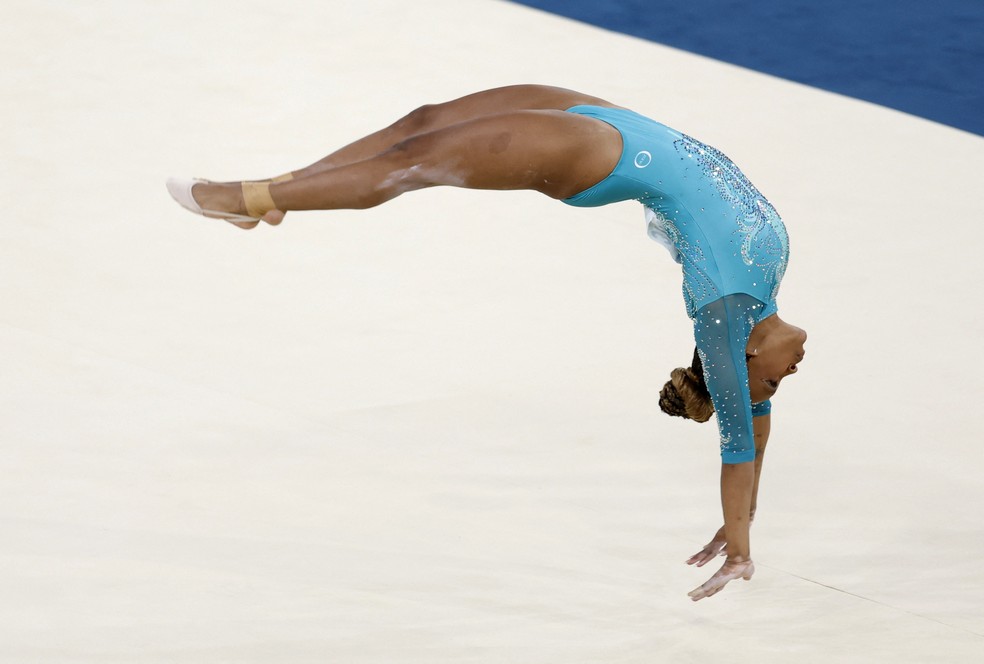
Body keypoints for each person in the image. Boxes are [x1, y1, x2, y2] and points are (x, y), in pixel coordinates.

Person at [166, 84, 807, 602]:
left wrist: (742, 544)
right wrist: (741, 516)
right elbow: (756, 422)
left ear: (743, 358)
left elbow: (740, 441)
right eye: (779, 384)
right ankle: (278, 193)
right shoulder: (766, 291)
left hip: (592, 156)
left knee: (412, 164)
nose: (791, 374)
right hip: (612, 119)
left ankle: (249, 197)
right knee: (423, 120)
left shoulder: (724, 317)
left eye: (774, 382)